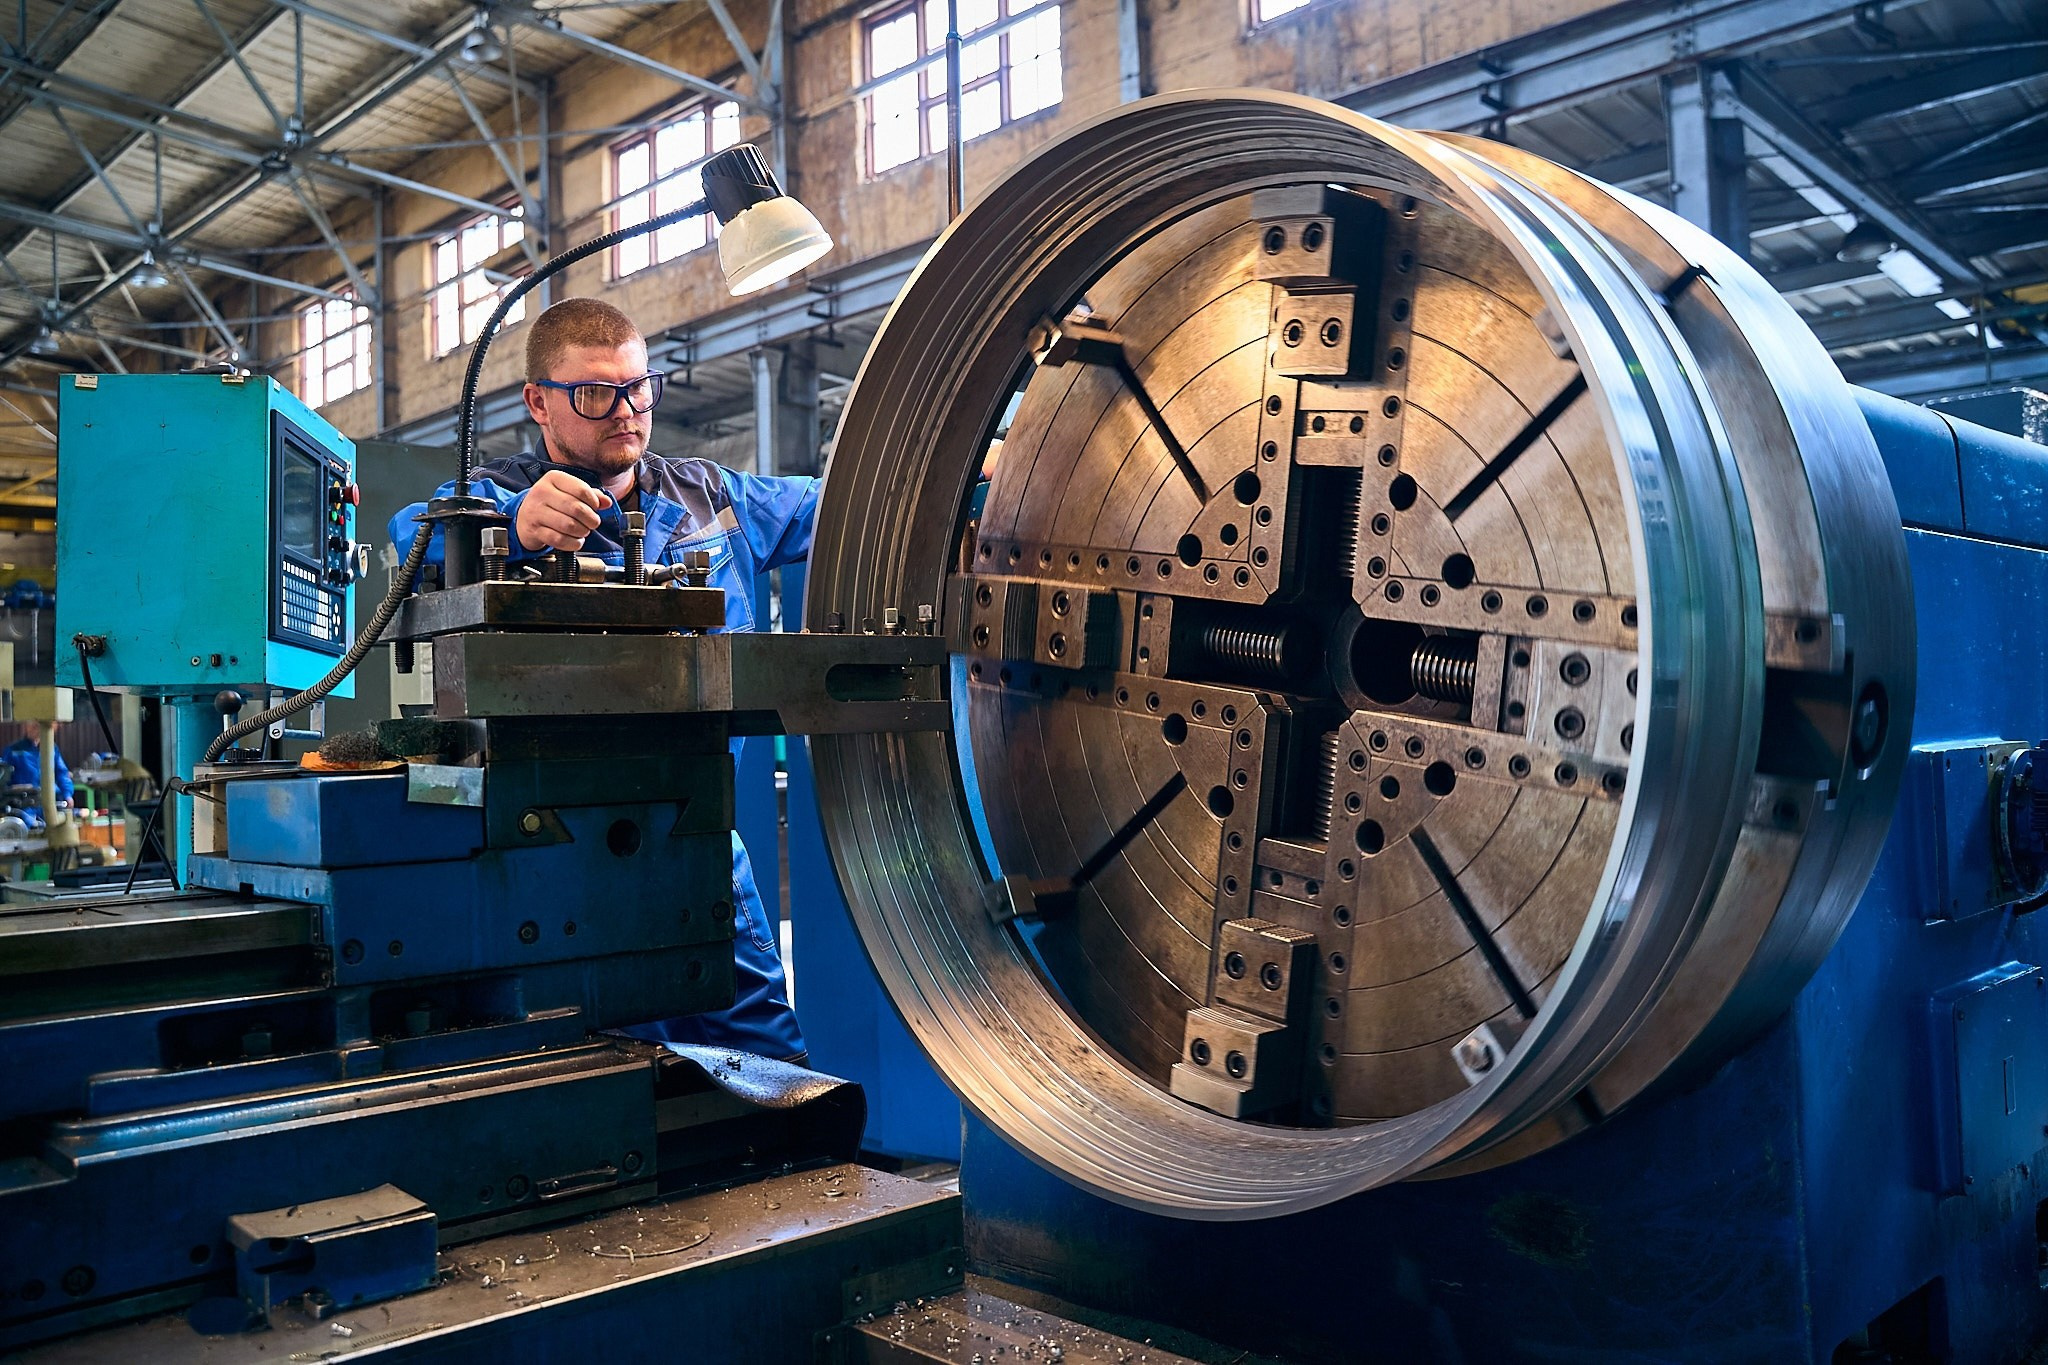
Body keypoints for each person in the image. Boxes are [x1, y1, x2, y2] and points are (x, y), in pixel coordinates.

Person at [391, 297, 815, 1062]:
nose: (625, 412)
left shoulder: (711, 499)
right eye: (595, 394)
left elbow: (847, 501)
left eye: (639, 387)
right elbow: (411, 535)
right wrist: (514, 526)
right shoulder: (495, 494)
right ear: (538, 404)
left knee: (773, 1063)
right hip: (556, 857)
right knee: (604, 1071)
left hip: (703, 842)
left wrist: (978, 465)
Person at [4, 720, 73, 810]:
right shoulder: (13, 750)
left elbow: (62, 773)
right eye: (32, 724)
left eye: (37, 725)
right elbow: (4, 778)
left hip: (51, 803)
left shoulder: (52, 749)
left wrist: (67, 794)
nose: (35, 728)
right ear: (26, 726)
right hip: (25, 806)